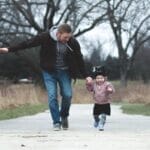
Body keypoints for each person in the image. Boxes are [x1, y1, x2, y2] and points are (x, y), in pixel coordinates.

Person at [0, 23, 87, 131]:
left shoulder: (72, 42)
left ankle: (64, 115)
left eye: (69, 37)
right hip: (49, 72)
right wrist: (9, 49)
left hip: (64, 72)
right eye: (65, 37)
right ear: (58, 33)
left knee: (68, 95)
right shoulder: (46, 37)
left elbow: (79, 58)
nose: (67, 40)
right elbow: (28, 43)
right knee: (52, 96)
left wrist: (86, 76)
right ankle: (56, 122)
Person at [86, 66, 115, 131]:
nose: (99, 79)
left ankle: (101, 125)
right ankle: (97, 121)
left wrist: (110, 90)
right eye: (98, 78)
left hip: (105, 103)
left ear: (105, 78)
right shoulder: (94, 85)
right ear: (95, 79)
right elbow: (90, 89)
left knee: (103, 115)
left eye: (101, 78)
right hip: (97, 103)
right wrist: (88, 84)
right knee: (95, 115)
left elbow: (112, 90)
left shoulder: (107, 84)